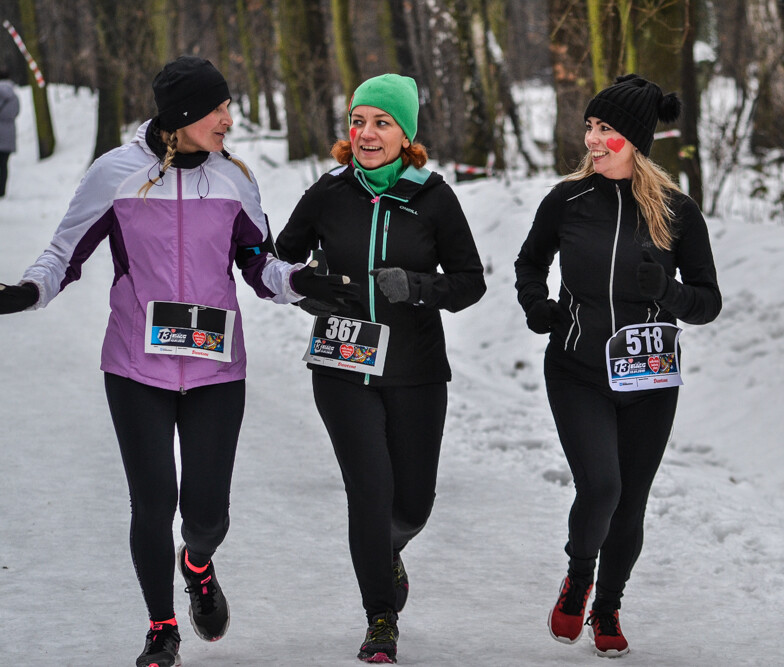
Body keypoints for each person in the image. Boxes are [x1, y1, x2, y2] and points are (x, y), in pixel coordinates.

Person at [0, 56, 358, 667]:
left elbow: (258, 265)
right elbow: (65, 249)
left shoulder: (235, 179)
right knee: (152, 501)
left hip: (218, 368)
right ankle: (161, 627)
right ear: (184, 115)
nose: (229, 118)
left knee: (207, 514)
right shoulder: (115, 174)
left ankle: (197, 563)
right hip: (135, 365)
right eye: (218, 108)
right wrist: (29, 290)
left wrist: (300, 282)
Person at [275, 73, 486, 664]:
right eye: (358, 121)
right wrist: (304, 290)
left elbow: (470, 283)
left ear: (405, 133)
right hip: (342, 365)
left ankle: (387, 548)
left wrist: (418, 287)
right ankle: (380, 618)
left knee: (411, 504)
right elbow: (277, 262)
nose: (366, 133)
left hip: (415, 369)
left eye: (381, 122)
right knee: (369, 492)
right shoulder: (327, 192)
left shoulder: (434, 197)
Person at [514, 74, 722, 657]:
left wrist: (672, 293)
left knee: (631, 501)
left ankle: (608, 608)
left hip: (651, 380)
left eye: (606, 129)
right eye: (590, 127)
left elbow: (708, 302)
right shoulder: (567, 200)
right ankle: (580, 578)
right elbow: (529, 264)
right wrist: (538, 305)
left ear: (634, 139)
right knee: (601, 486)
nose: (593, 139)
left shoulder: (678, 213)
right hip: (578, 369)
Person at [0, 64, 20, 197]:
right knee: (4, 165)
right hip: (9, 135)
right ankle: (2, 190)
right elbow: (16, 112)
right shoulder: (14, 95)